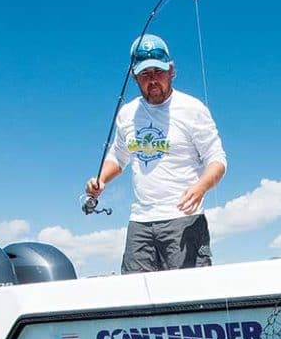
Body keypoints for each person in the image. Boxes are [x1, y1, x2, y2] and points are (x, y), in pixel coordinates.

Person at [86, 34, 226, 273]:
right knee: (134, 296)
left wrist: (201, 187)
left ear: (171, 70)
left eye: (158, 72)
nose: (153, 80)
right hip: (140, 222)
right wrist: (101, 180)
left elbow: (217, 160)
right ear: (134, 77)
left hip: (184, 219)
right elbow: (119, 158)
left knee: (189, 294)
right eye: (145, 75)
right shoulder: (127, 114)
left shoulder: (192, 109)